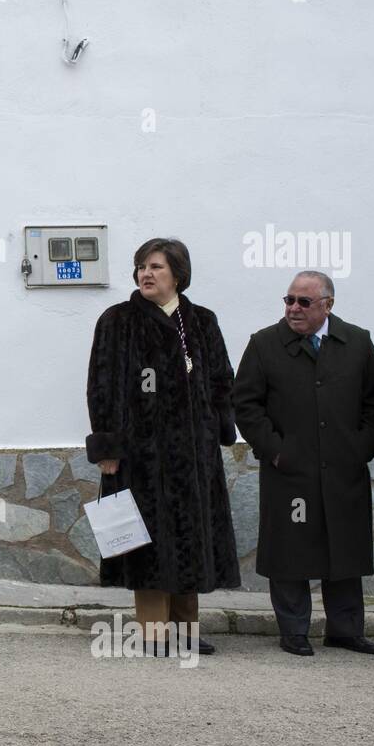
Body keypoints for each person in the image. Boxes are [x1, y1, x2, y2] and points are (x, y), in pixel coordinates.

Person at [85, 238, 238, 655]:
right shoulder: (118, 321)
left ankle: (187, 632)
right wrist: (108, 448)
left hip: (193, 455)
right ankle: (153, 633)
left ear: (178, 275)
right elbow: (103, 387)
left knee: (191, 539)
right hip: (141, 457)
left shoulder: (202, 321)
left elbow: (222, 379)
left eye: (156, 267)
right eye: (141, 267)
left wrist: (219, 429)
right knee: (148, 544)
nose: (145, 274)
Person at [232, 271, 374, 657]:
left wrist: (361, 446)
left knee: (345, 549)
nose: (293, 308)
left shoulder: (358, 342)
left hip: (343, 467)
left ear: (328, 305)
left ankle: (346, 630)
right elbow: (246, 406)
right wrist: (276, 450)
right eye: (288, 300)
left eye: (303, 302)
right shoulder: (265, 344)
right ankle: (294, 630)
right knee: (290, 552)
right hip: (290, 469)